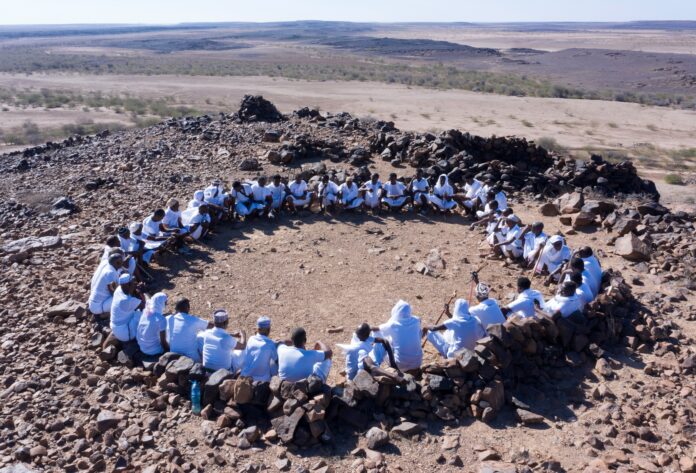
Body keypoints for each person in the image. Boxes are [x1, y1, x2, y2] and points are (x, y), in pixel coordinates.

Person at [372, 300, 423, 372]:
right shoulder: (416, 320)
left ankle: (375, 363)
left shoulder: (393, 325)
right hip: (418, 362)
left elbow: (376, 329)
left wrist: (365, 329)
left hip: (400, 365)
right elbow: (419, 320)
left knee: (382, 338)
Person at [106, 273, 145, 345]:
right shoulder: (125, 300)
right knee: (144, 313)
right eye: (133, 282)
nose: (135, 283)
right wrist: (140, 292)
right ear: (129, 284)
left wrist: (133, 288)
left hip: (117, 327)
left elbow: (129, 293)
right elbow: (143, 305)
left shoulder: (119, 289)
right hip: (125, 334)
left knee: (135, 311)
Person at [240, 316, 280, 382]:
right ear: (268, 330)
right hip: (261, 381)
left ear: (258, 329)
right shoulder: (270, 344)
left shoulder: (251, 339)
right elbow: (276, 361)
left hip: (245, 376)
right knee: (273, 362)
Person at [136, 292, 169, 357]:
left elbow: (147, 299)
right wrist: (168, 351)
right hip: (153, 350)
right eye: (165, 303)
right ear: (161, 303)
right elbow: (163, 342)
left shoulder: (146, 310)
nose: (166, 304)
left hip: (142, 347)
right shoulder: (161, 319)